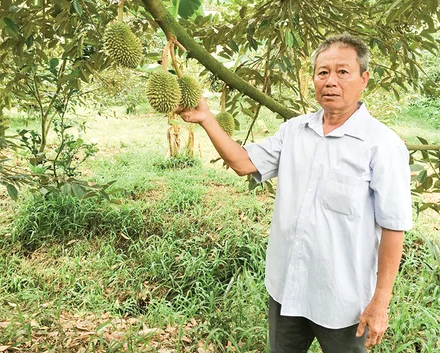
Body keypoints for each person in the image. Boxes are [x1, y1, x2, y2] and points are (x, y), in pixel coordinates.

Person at [176, 33, 413, 352]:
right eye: (323, 72)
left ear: (364, 79)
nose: (331, 81)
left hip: (342, 301)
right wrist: (205, 118)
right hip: (287, 288)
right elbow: (243, 162)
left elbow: (393, 226)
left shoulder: (383, 145)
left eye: (343, 72)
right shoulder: (294, 131)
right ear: (313, 79)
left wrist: (380, 302)